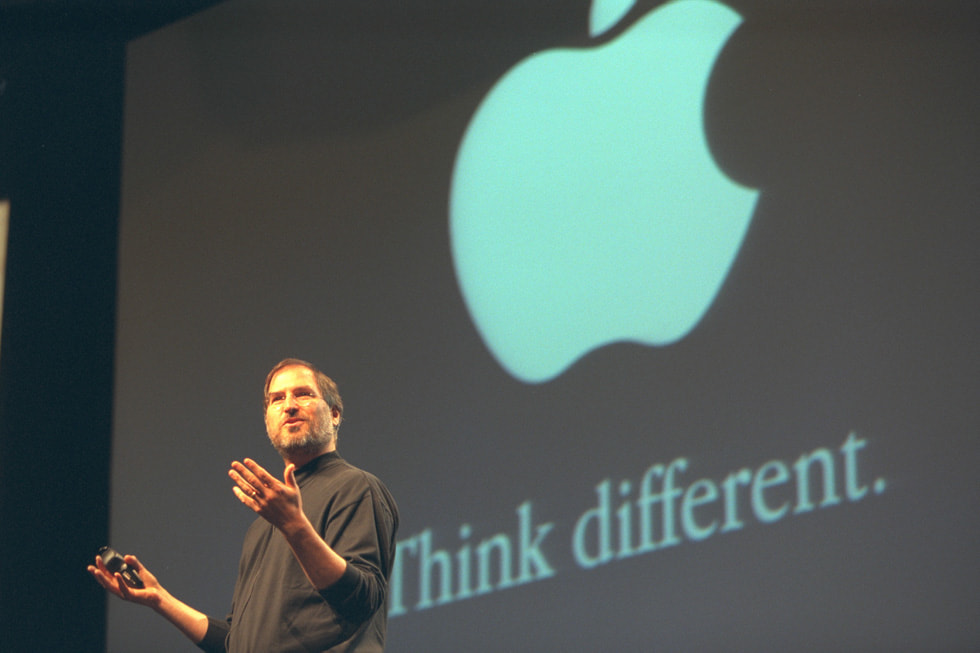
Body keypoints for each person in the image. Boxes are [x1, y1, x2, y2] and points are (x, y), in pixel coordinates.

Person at [89, 358, 399, 652]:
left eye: (303, 394)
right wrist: (159, 599)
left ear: (334, 413)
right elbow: (234, 642)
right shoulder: (263, 524)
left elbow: (363, 600)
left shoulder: (356, 488)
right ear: (268, 421)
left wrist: (294, 526)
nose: (289, 405)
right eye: (277, 399)